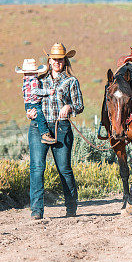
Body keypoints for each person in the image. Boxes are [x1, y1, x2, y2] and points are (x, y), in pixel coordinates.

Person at [27, 43, 84, 219]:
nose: (57, 62)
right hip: (39, 128)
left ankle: (71, 206)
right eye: (54, 59)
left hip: (62, 127)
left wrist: (69, 107)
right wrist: (29, 112)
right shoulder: (39, 80)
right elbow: (30, 100)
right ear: (49, 60)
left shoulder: (71, 81)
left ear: (65, 60)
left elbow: (79, 105)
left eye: (60, 59)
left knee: (64, 168)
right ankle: (36, 210)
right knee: (37, 168)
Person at [17, 58, 56, 144]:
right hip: (34, 102)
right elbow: (36, 91)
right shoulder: (34, 80)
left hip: (27, 103)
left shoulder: (25, 80)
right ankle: (45, 134)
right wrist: (48, 92)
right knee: (40, 117)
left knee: (37, 117)